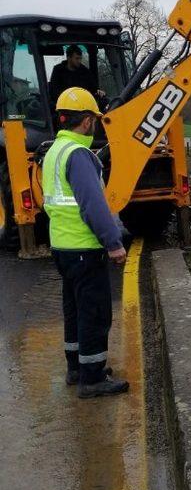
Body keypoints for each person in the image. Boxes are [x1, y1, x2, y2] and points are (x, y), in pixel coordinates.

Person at [43, 87, 129, 398]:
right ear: (88, 122)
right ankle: (92, 379)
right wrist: (113, 242)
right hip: (84, 248)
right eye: (94, 119)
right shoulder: (79, 155)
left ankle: (77, 367)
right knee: (94, 312)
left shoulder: (54, 151)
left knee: (75, 309)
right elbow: (93, 205)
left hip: (63, 247)